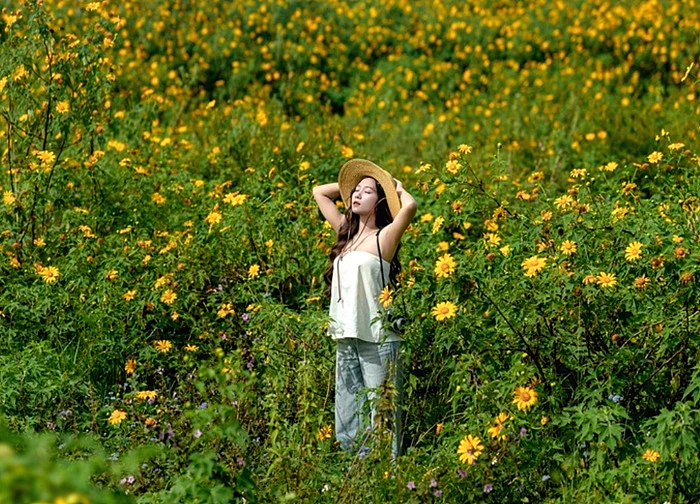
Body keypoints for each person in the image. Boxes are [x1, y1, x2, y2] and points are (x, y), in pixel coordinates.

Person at [312, 159, 417, 458]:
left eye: (366, 191)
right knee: (347, 411)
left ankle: (386, 471)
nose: (357, 194)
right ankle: (354, 468)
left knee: (382, 412)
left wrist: (393, 186)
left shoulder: (385, 237)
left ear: (380, 201)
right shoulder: (345, 233)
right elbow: (319, 192)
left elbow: (410, 206)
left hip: (379, 339)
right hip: (346, 333)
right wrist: (352, 185)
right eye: (354, 191)